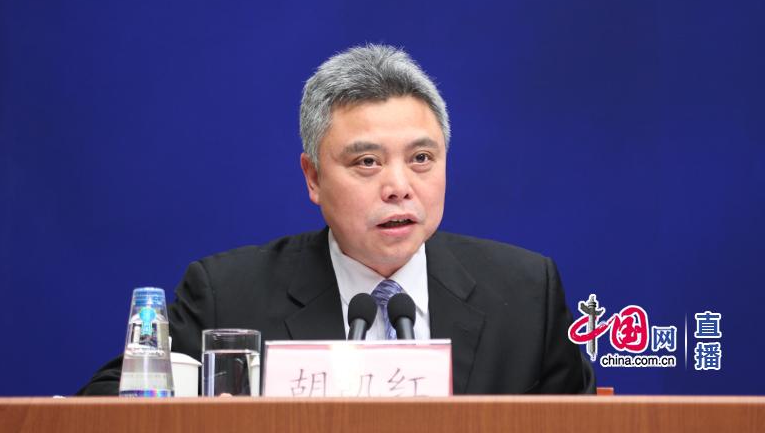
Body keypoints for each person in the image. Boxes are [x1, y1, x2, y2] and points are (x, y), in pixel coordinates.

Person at [79, 44, 595, 395]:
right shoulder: (228, 296)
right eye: (367, 162)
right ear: (313, 178)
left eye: (421, 158)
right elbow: (103, 407)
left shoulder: (525, 294)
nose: (398, 186)